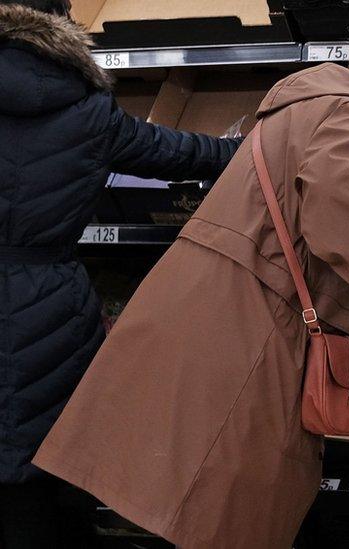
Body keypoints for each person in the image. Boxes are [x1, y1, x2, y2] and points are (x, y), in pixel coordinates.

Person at [34, 21, 349, 548]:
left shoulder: (313, 103)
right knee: (229, 502)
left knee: (189, 489)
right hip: (249, 324)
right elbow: (339, 217)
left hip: (213, 305)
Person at [0, 0, 241, 546]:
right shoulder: (88, 112)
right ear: (61, 28)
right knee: (44, 469)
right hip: (50, 311)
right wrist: (253, 149)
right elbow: (179, 152)